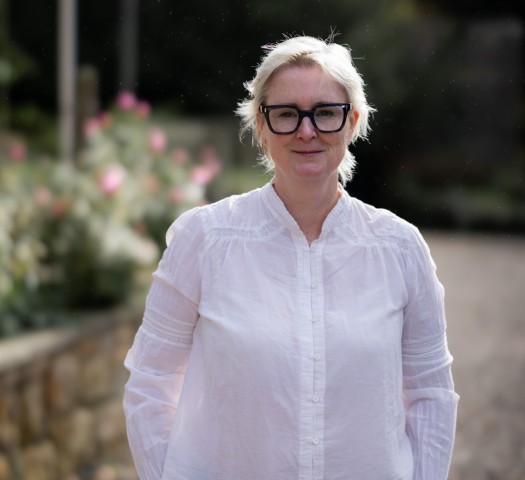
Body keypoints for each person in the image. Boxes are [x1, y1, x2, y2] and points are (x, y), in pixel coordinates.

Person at [123, 34, 459, 480]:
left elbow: (431, 392)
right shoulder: (203, 240)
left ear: (353, 121)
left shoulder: (400, 248)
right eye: (285, 114)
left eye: (325, 112)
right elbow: (149, 382)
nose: (306, 130)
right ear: (260, 127)